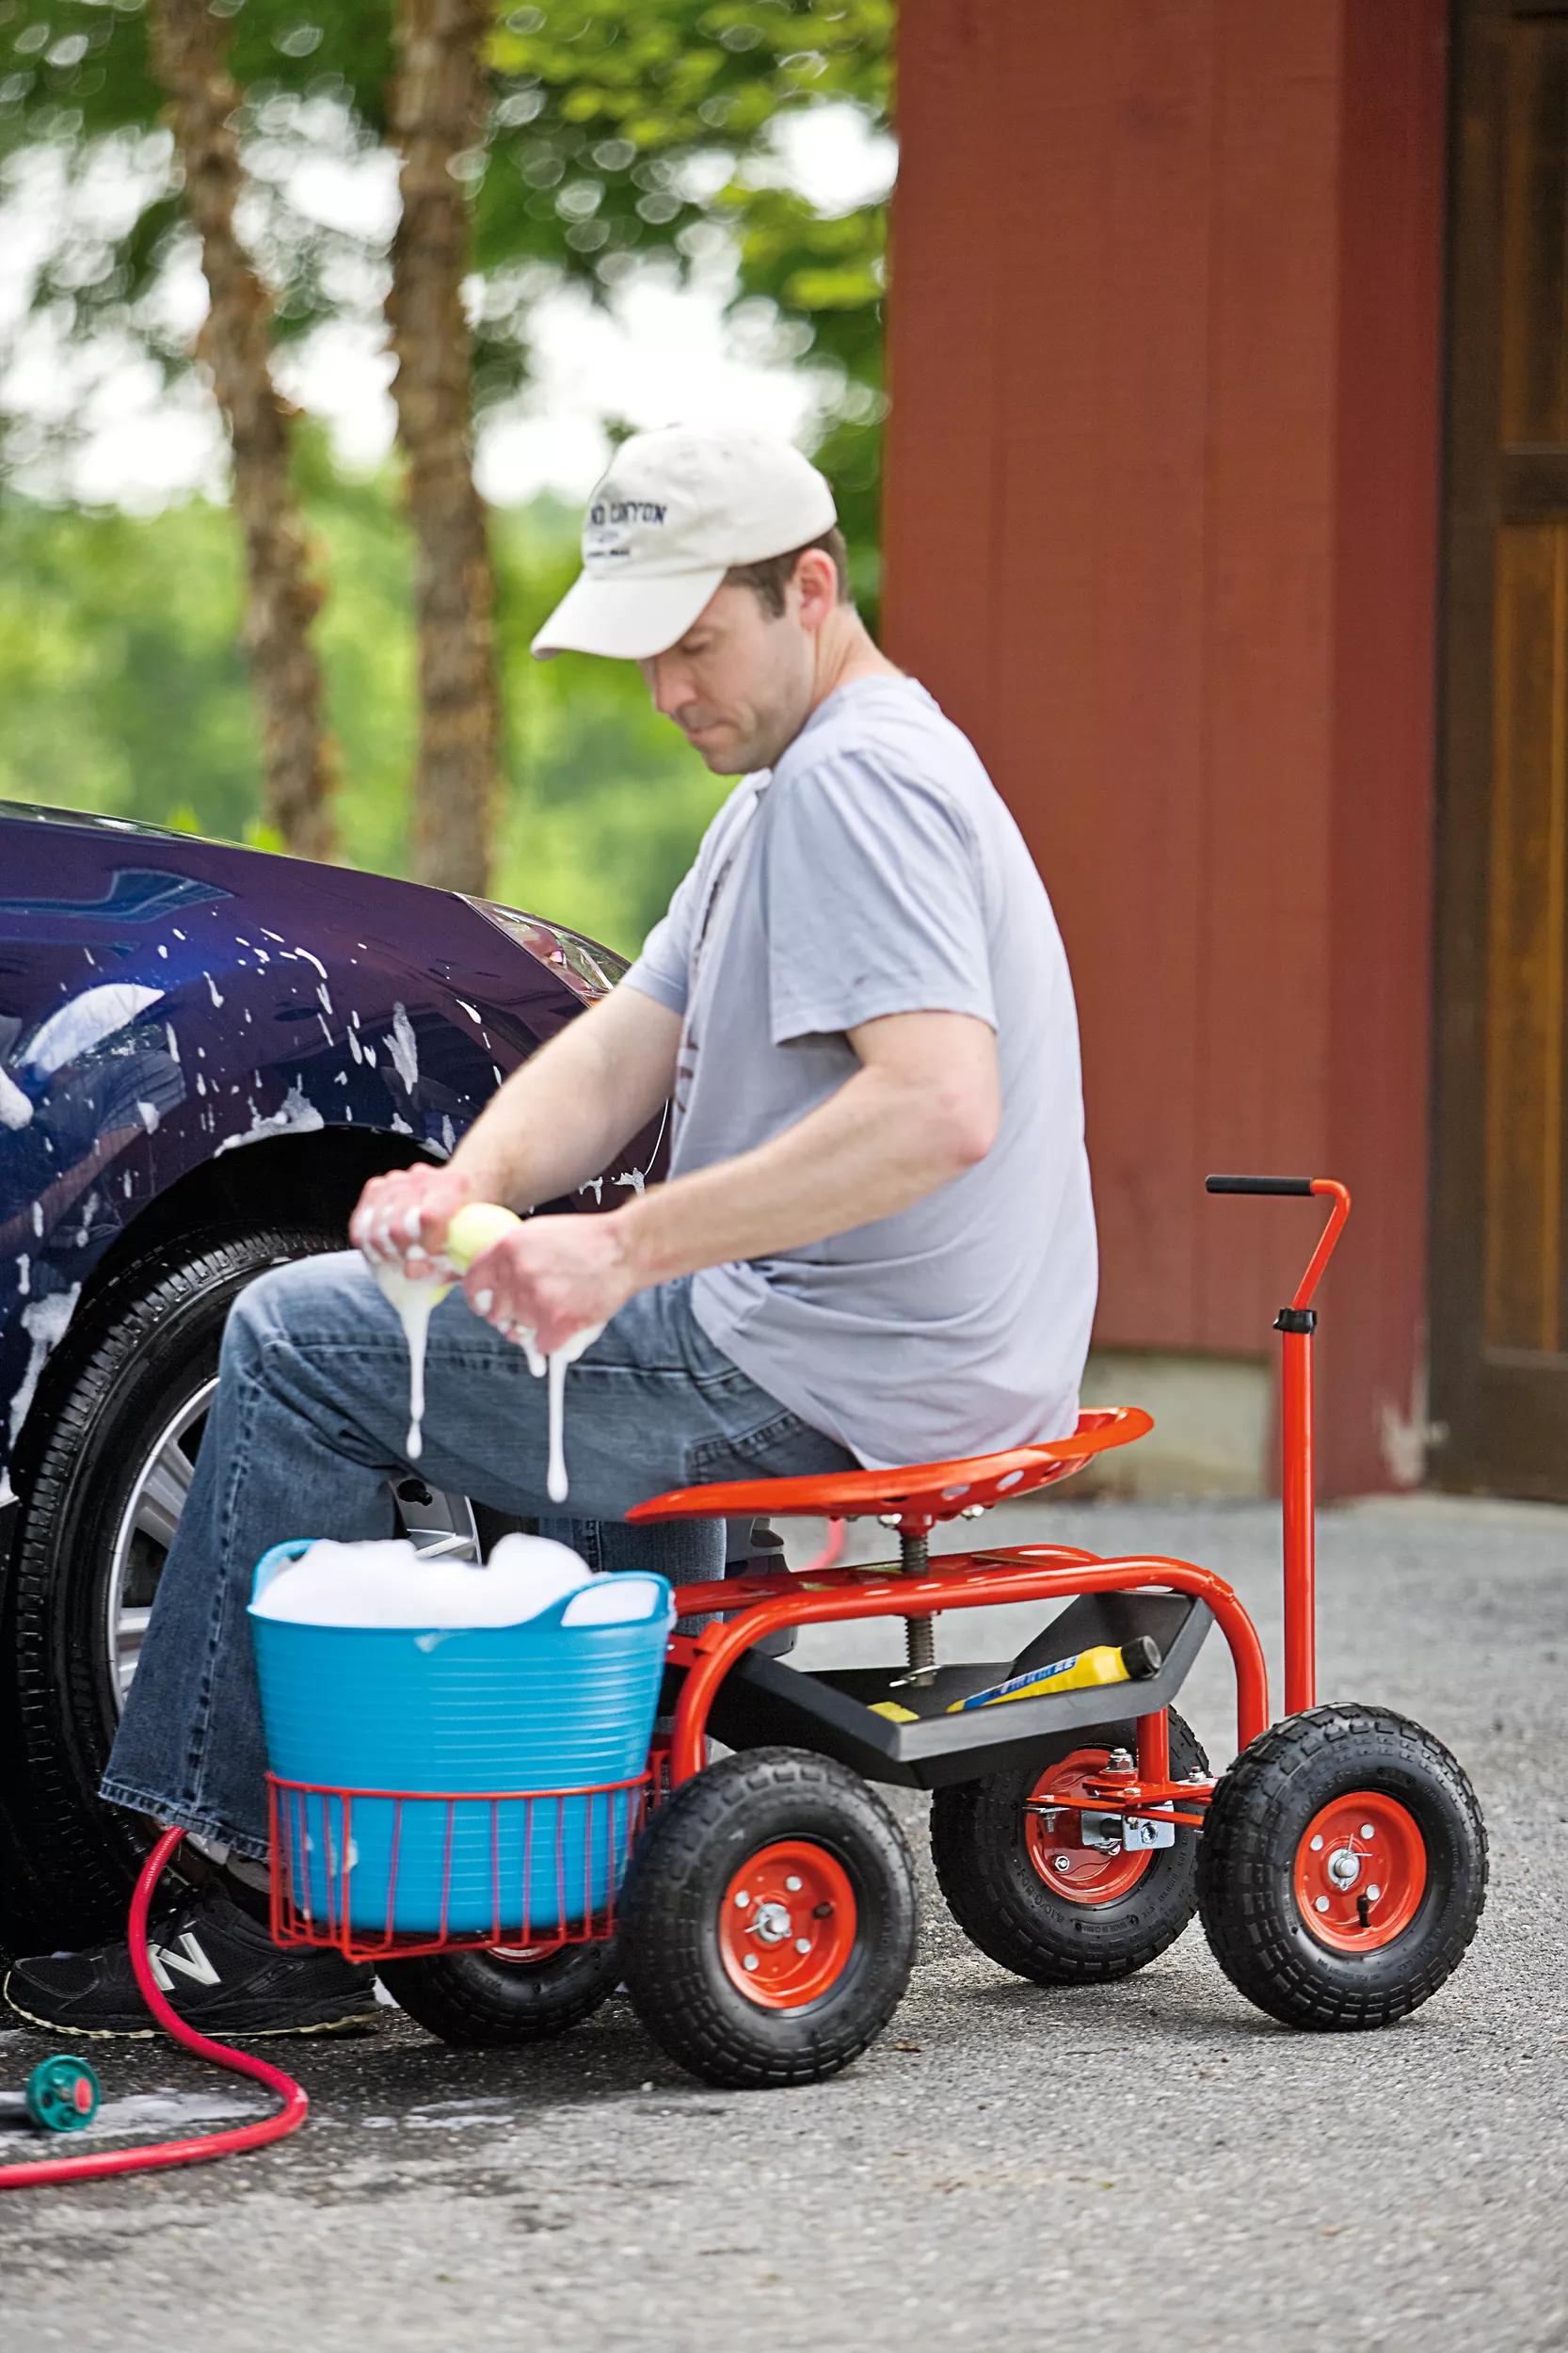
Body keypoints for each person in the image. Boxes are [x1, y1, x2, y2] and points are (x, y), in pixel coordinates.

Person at [4, 426, 1097, 2039]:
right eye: (644, 653)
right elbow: (623, 1041)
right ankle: (565, 1836)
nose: (666, 692)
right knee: (451, 1322)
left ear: (810, 587)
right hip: (854, 1338)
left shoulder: (859, 783)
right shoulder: (796, 788)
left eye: (691, 643)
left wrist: (628, 1249)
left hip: (832, 1356)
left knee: (297, 1339)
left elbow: (937, 1106)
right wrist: (478, 1186)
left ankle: (242, 1896)